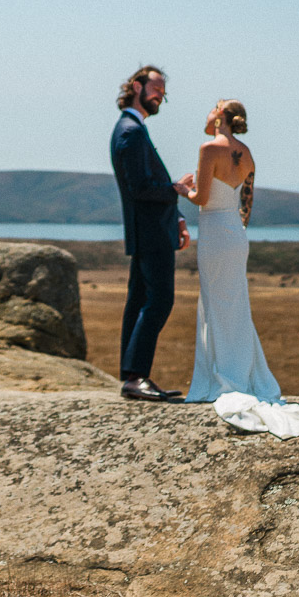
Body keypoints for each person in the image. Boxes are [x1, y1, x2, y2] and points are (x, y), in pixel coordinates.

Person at [177, 102, 299, 439]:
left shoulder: (210, 148)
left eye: (213, 108)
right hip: (236, 234)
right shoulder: (247, 153)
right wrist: (235, 228)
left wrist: (181, 189)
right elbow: (246, 201)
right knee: (236, 306)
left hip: (213, 230)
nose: (208, 112)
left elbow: (201, 197)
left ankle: (222, 377)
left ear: (221, 118)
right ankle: (242, 373)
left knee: (215, 303)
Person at [110, 65, 191, 401]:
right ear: (135, 86)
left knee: (140, 301)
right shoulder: (130, 132)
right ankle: (136, 377)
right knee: (159, 301)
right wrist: (176, 190)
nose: (161, 95)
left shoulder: (133, 128)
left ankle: (132, 376)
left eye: (163, 91)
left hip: (153, 229)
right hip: (150, 233)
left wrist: (178, 217)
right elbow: (141, 188)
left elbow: (146, 187)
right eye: (156, 88)